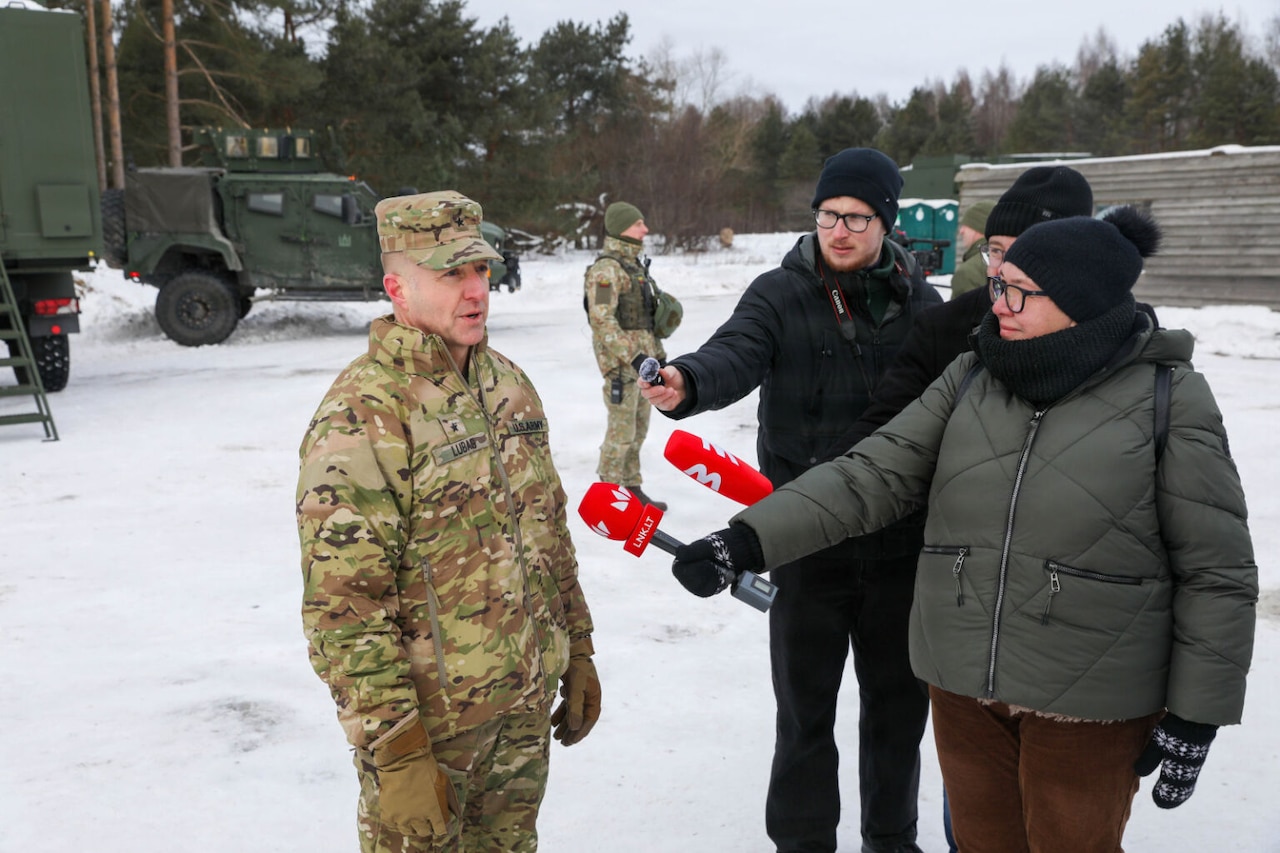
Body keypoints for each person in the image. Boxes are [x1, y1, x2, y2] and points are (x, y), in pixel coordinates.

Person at [671, 206, 1258, 853]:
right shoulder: (975, 375)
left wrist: (1198, 709)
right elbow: (870, 472)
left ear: (1080, 304)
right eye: (999, 282)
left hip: (1089, 696)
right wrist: (748, 538)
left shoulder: (1167, 397)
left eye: (1016, 291)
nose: (995, 301)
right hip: (964, 689)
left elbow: (1217, 569)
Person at [642, 148, 943, 853]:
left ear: (886, 224)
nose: (839, 230)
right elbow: (736, 351)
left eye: (856, 218)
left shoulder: (919, 303)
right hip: (805, 540)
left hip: (900, 545)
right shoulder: (779, 292)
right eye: (829, 214)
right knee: (805, 712)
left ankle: (891, 839)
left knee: (897, 711)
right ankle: (803, 843)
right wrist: (686, 381)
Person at [297, 191, 600, 853]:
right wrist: (395, 747)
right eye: (449, 274)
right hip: (431, 730)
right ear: (397, 287)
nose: (475, 292)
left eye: (481, 271)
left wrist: (577, 646)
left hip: (519, 712)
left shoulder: (508, 385)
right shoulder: (364, 413)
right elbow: (343, 607)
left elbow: (547, 531)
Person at [842, 165, 1099, 444]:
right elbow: (879, 433)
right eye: (997, 251)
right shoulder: (941, 328)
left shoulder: (1119, 342)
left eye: (1025, 254)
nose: (1003, 270)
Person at [585, 200, 668, 510]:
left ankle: (632, 487)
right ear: (622, 228)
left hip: (643, 366)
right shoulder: (606, 271)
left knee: (638, 430)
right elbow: (602, 321)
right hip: (623, 367)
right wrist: (633, 358)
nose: (645, 229)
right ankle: (606, 497)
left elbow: (644, 322)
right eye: (638, 224)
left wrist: (657, 357)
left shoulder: (633, 266)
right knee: (620, 433)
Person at [947, 199, 995, 297]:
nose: (961, 231)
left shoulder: (968, 272)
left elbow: (962, 311)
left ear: (979, 227)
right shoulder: (1007, 260)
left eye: (966, 225)